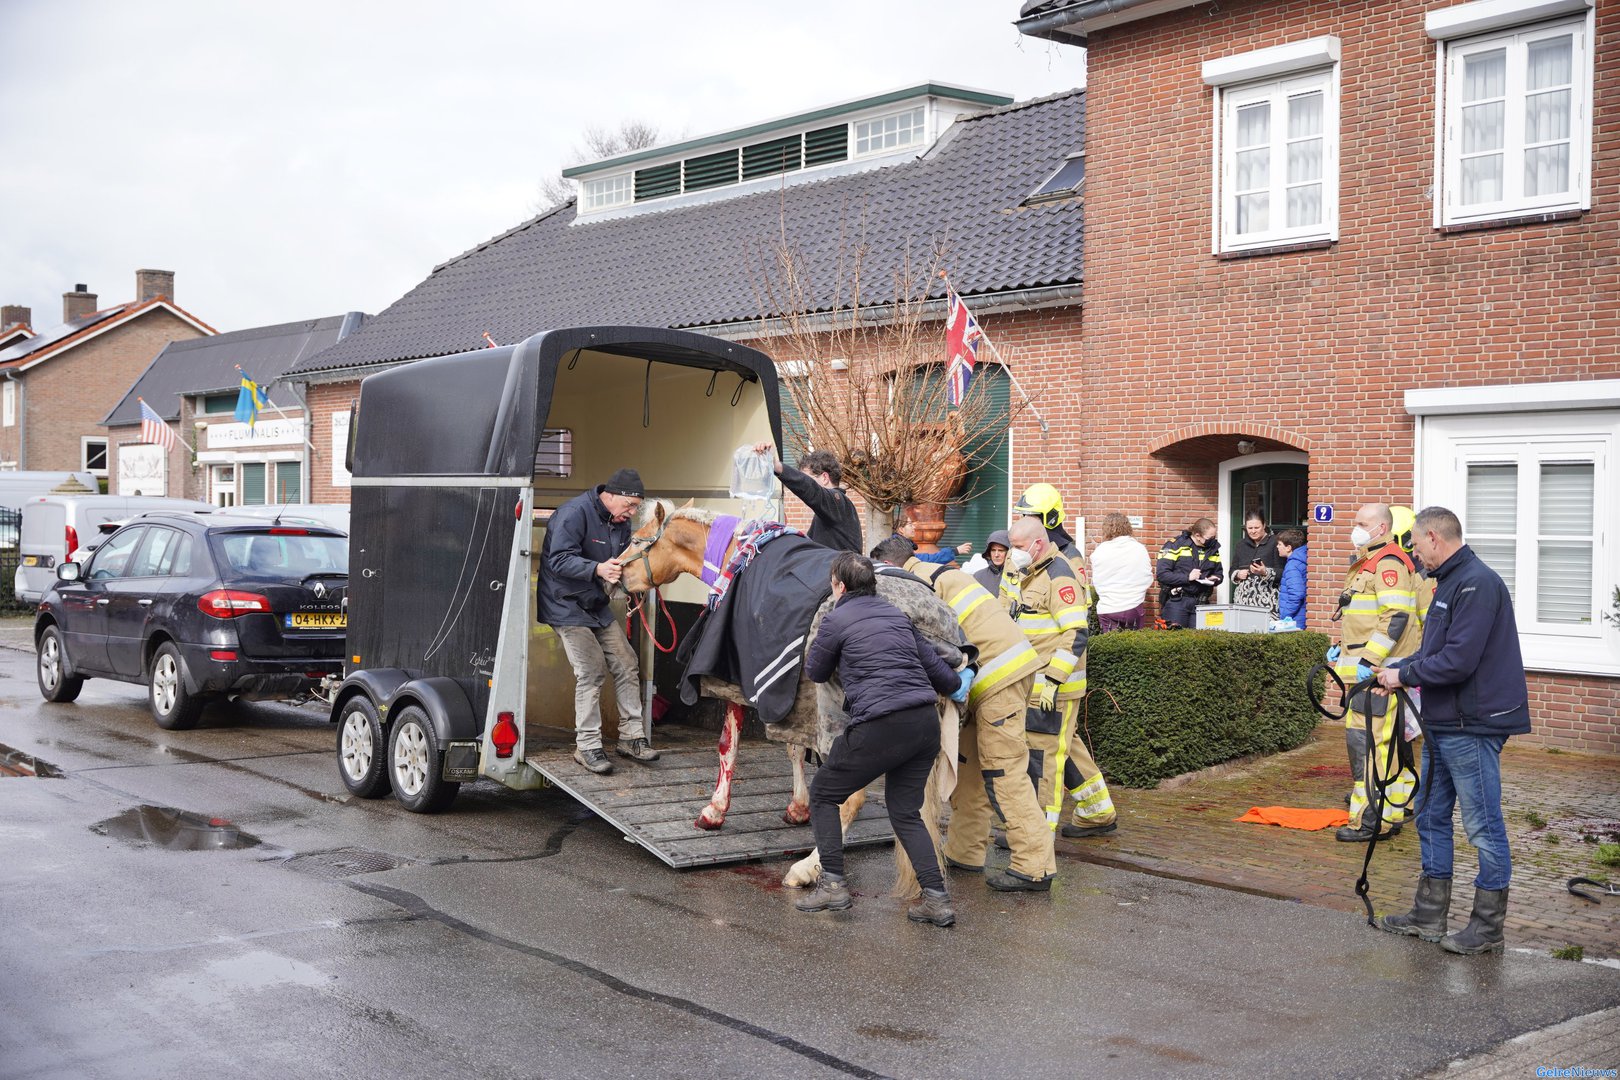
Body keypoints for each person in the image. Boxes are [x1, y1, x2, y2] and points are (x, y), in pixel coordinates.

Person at [1374, 506, 1530, 955]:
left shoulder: (1477, 585)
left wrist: (1402, 677)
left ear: (1435, 539)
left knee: (1482, 825)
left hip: (1473, 726)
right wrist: (1392, 669)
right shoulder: (1447, 584)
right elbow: (1435, 651)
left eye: (1417, 546)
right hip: (1444, 721)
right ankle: (1428, 915)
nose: (1415, 556)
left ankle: (1486, 928)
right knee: (1429, 815)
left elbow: (1459, 661)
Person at [870, 537, 1054, 891]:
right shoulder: (935, 573)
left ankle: (1035, 867)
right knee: (969, 769)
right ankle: (965, 853)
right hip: (994, 676)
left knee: (1005, 770)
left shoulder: (913, 586)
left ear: (886, 564)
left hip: (999, 677)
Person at [795, 552, 962, 926]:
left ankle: (833, 884)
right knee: (905, 813)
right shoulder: (898, 617)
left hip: (880, 723)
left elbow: (817, 671)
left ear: (838, 586)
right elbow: (947, 680)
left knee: (823, 793)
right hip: (922, 727)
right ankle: (937, 899)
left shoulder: (836, 619)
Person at [1004, 517, 1119, 852]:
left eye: (1019, 547)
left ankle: (1036, 834)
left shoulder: (1060, 574)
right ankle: (1098, 812)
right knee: (1065, 748)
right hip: (1030, 683)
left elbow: (1076, 633)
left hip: (1050, 688)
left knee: (1042, 759)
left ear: (1038, 544)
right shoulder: (1024, 571)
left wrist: (1053, 680)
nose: (1014, 553)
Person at [538, 468, 660, 775]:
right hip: (565, 603)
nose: (631, 514)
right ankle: (587, 746)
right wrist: (597, 569)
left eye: (635, 508)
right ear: (611, 496)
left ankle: (631, 737)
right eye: (629, 506)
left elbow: (623, 557)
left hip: (595, 603)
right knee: (591, 670)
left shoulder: (620, 520)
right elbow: (558, 559)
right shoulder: (574, 513)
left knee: (626, 661)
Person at [1330, 502, 1421, 842]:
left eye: (1361, 523)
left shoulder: (1387, 563)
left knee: (1367, 745)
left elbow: (1395, 617)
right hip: (1372, 673)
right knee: (1384, 747)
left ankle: (1369, 821)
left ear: (1381, 528)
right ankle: (1390, 814)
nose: (1354, 527)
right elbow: (1367, 618)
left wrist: (1368, 661)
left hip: (1375, 677)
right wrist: (1345, 650)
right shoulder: (1370, 561)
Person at [752, 443, 862, 552]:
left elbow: (811, 489)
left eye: (806, 478)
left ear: (824, 477)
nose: (802, 483)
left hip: (841, 569)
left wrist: (777, 466)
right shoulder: (827, 511)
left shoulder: (838, 502)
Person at [1089, 513, 1154, 632]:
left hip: (1108, 608)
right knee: (1133, 646)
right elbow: (1148, 577)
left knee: (1111, 647)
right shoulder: (1139, 549)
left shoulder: (1100, 551)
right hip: (1134, 607)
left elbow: (1097, 580)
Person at [1156, 517, 1223, 628]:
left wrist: (1215, 578)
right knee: (1175, 638)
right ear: (1197, 535)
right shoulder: (1175, 545)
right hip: (1177, 601)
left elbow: (1219, 573)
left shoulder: (1213, 549)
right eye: (1209, 538)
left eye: (1214, 537)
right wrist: (1187, 577)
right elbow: (1162, 575)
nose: (1213, 540)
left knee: (1199, 641)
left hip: (1201, 602)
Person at [1011, 483, 1084, 565]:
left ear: (1051, 517)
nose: (1027, 522)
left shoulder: (1069, 554)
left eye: (1033, 516)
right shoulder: (1018, 551)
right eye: (1025, 516)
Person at [1230, 511, 1283, 615]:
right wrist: (1237, 574)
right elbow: (1232, 569)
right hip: (1242, 602)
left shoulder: (1275, 543)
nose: (1253, 531)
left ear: (1264, 525)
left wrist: (1265, 572)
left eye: (1256, 527)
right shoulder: (1241, 545)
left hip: (1267, 602)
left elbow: (1283, 572)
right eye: (1250, 528)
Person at [1275, 527, 1308, 628]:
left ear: (1288, 547)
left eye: (1279, 544)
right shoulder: (1302, 559)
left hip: (1294, 620)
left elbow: (1296, 594)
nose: (1277, 547)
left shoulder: (1292, 565)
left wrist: (1284, 616)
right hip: (1300, 616)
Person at [968, 529, 1010, 594]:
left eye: (1001, 550)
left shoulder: (1017, 577)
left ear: (1009, 552)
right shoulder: (978, 576)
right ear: (988, 552)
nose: (996, 555)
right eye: (993, 550)